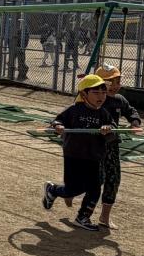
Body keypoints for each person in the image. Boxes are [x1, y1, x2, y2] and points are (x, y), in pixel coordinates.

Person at [41, 73, 114, 231]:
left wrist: (108, 130)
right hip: (73, 155)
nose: (101, 96)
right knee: (72, 189)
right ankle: (53, 190)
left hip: (94, 157)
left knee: (95, 188)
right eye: (96, 93)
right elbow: (57, 120)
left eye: (103, 93)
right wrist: (58, 126)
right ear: (84, 94)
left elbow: (112, 134)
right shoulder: (74, 110)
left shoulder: (104, 114)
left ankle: (83, 217)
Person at [94, 65, 143, 231]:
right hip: (94, 146)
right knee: (95, 179)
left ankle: (104, 217)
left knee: (113, 179)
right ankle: (63, 192)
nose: (115, 86)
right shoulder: (93, 100)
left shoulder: (119, 100)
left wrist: (134, 122)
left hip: (112, 145)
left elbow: (130, 111)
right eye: (110, 82)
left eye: (118, 81)